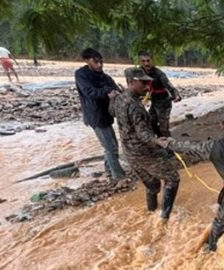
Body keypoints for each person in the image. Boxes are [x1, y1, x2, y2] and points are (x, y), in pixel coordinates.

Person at [157, 109, 224, 251]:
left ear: (222, 125)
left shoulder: (212, 146)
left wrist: (168, 143)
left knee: (217, 231)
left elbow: (189, 147)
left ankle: (207, 252)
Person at [110, 67, 180, 223]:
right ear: (132, 82)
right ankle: (164, 217)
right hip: (143, 152)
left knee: (153, 186)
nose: (147, 87)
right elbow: (143, 134)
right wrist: (158, 141)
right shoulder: (134, 106)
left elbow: (112, 112)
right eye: (143, 83)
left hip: (129, 152)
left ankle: (151, 214)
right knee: (173, 178)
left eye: (148, 83)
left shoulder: (119, 99)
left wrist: (111, 98)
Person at [75, 48, 126, 181]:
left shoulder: (105, 77)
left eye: (101, 62)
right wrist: (107, 92)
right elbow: (89, 92)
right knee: (111, 147)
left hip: (107, 115)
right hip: (95, 116)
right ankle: (119, 177)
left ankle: (109, 171)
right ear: (87, 61)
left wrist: (119, 93)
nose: (99, 65)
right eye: (96, 62)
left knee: (111, 145)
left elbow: (115, 89)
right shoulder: (81, 75)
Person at [138, 51, 181, 137]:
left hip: (164, 103)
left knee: (164, 129)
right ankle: (160, 140)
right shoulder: (140, 72)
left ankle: (169, 148)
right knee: (150, 123)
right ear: (140, 62)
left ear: (152, 61)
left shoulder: (159, 74)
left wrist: (176, 95)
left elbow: (169, 86)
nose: (146, 63)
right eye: (143, 61)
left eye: (148, 60)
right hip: (154, 101)